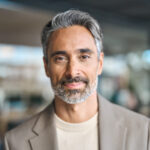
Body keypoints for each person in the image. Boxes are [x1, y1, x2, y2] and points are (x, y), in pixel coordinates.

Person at [4, 9, 150, 150]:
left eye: (84, 57)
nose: (72, 71)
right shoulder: (16, 142)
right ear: (46, 66)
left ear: (99, 64)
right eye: (60, 59)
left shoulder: (143, 131)